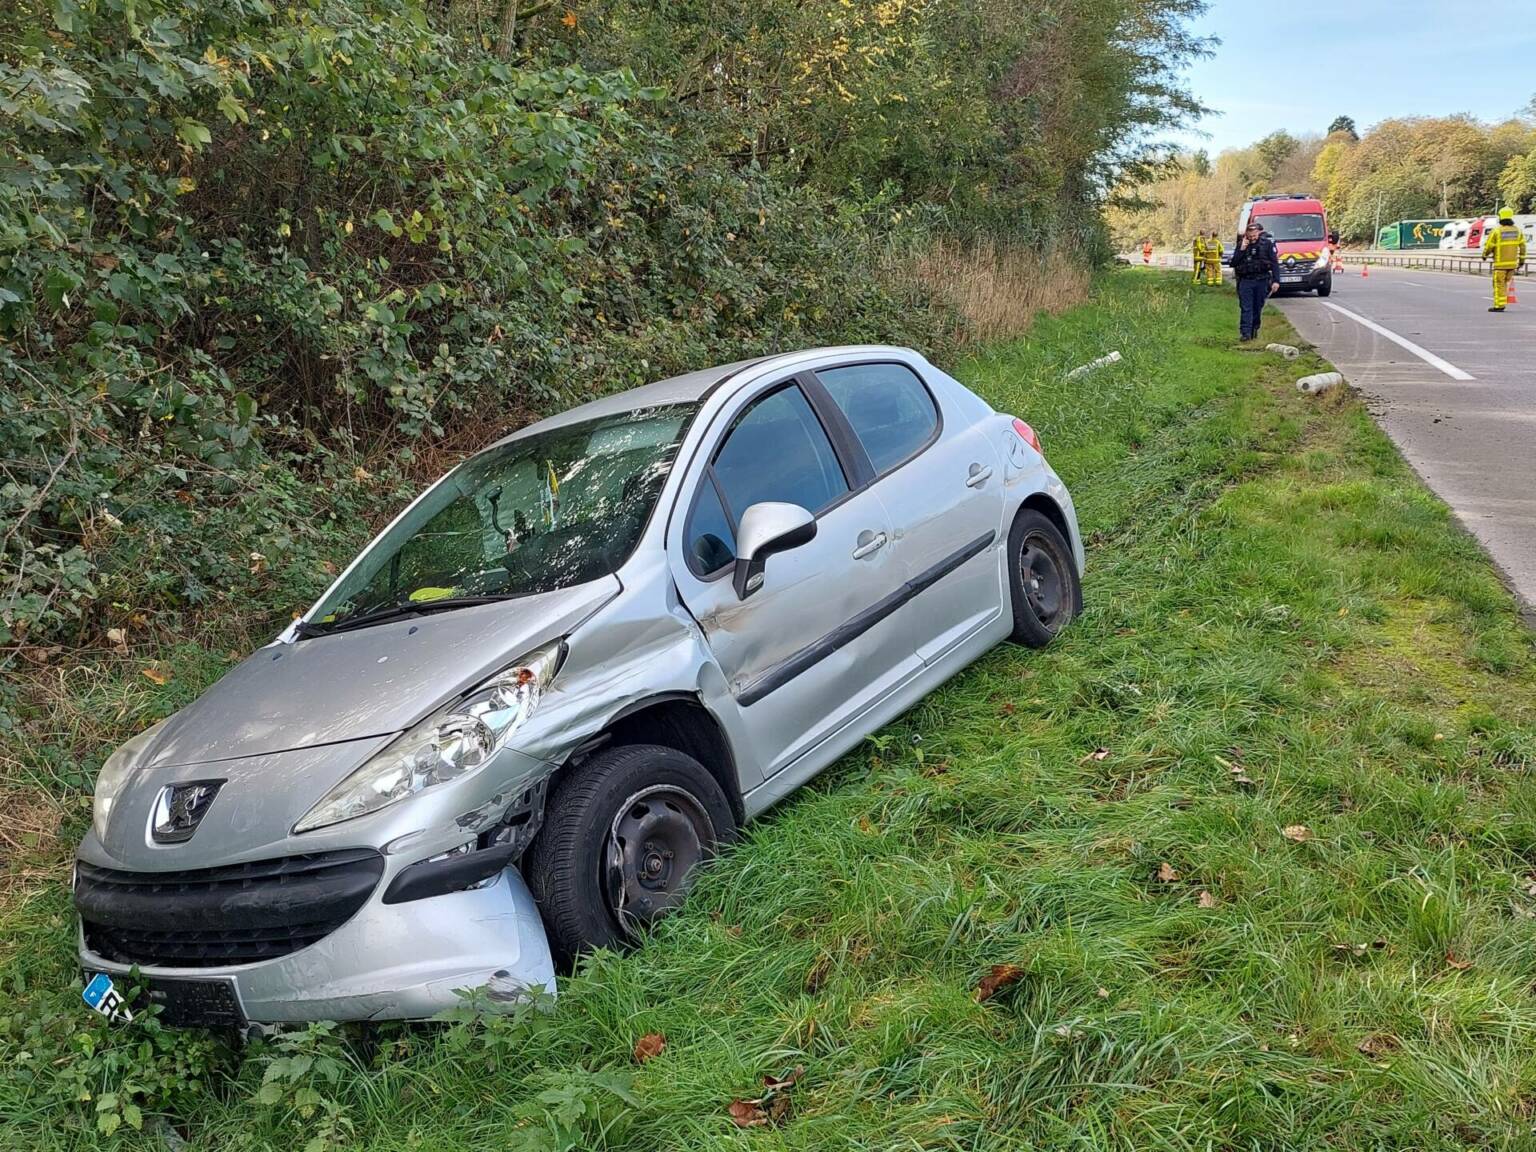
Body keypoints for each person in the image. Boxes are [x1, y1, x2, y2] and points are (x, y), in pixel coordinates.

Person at [1231, 218, 1279, 340]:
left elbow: (1274, 263)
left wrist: (1276, 281)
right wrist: (1241, 250)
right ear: (1246, 234)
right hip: (1246, 280)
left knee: (1257, 307)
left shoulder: (1267, 244)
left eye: (1254, 235)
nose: (1252, 238)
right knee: (1246, 307)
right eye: (1250, 236)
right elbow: (1234, 262)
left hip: (1262, 280)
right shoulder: (1242, 245)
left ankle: (1254, 329)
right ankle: (1245, 333)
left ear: (1258, 233)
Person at [1481, 207, 1527, 312]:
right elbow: (1523, 247)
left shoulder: (1497, 231)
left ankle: (1499, 305)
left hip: (1500, 265)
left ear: (1501, 217)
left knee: (1498, 285)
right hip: (1512, 265)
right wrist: (1521, 261)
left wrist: (1484, 255)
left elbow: (1489, 246)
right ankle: (1501, 303)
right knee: (1505, 284)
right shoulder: (1518, 231)